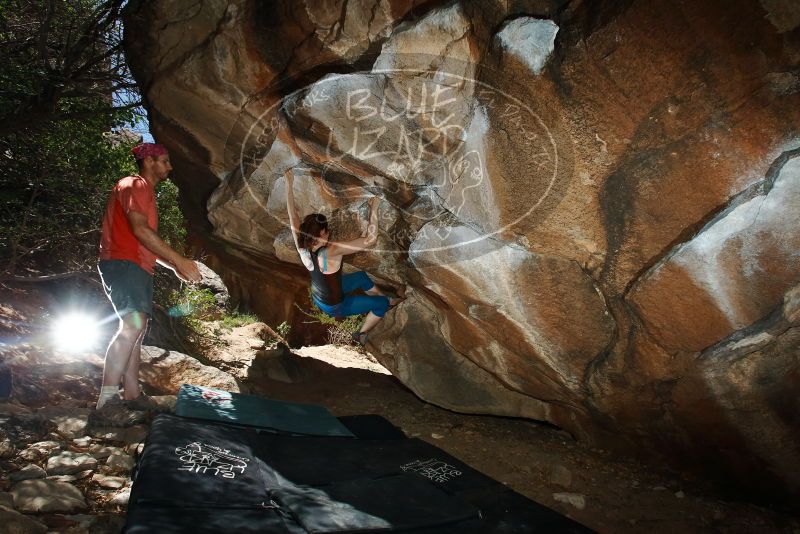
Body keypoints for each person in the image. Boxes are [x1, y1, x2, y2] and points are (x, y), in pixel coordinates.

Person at [95, 142, 201, 418]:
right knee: (133, 325)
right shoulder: (135, 184)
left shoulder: (145, 191)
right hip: (123, 261)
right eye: (165, 161)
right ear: (150, 162)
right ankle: (107, 402)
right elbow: (140, 230)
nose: (169, 166)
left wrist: (172, 266)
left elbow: (146, 241)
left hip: (137, 264)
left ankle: (132, 394)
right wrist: (180, 260)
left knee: (136, 329)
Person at [284, 168, 400, 345]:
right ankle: (361, 334)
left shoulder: (303, 246)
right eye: (326, 230)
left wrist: (289, 184)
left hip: (321, 297)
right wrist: (374, 208)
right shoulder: (332, 250)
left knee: (361, 277)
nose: (329, 232)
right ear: (322, 233)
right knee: (381, 305)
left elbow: (293, 216)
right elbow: (370, 240)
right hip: (335, 305)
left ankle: (381, 298)